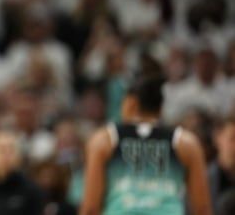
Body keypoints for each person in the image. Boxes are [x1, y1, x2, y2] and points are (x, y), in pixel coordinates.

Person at [80, 73, 212, 215]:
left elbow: (90, 208)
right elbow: (202, 209)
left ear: (131, 103)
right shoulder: (186, 143)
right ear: (161, 108)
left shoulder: (103, 141)